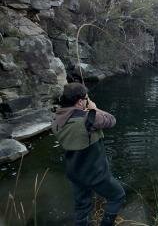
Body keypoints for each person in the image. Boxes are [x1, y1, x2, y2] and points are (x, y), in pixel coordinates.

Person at [52, 82, 125, 226]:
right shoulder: (90, 118)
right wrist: (95, 108)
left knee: (82, 206)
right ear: (80, 102)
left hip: (74, 172)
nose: (87, 100)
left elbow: (73, 117)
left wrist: (85, 109)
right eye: (86, 98)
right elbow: (112, 120)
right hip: (95, 173)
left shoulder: (56, 119)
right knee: (117, 196)